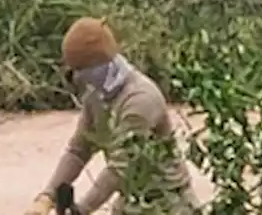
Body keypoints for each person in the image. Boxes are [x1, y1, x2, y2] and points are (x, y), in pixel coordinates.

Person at [23, 17, 201, 215]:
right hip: (130, 202)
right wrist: (47, 197)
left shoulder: (140, 99)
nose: (78, 79)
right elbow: (79, 150)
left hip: (168, 204)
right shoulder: (95, 96)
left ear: (98, 66)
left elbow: (120, 167)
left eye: (80, 71)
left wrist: (82, 210)